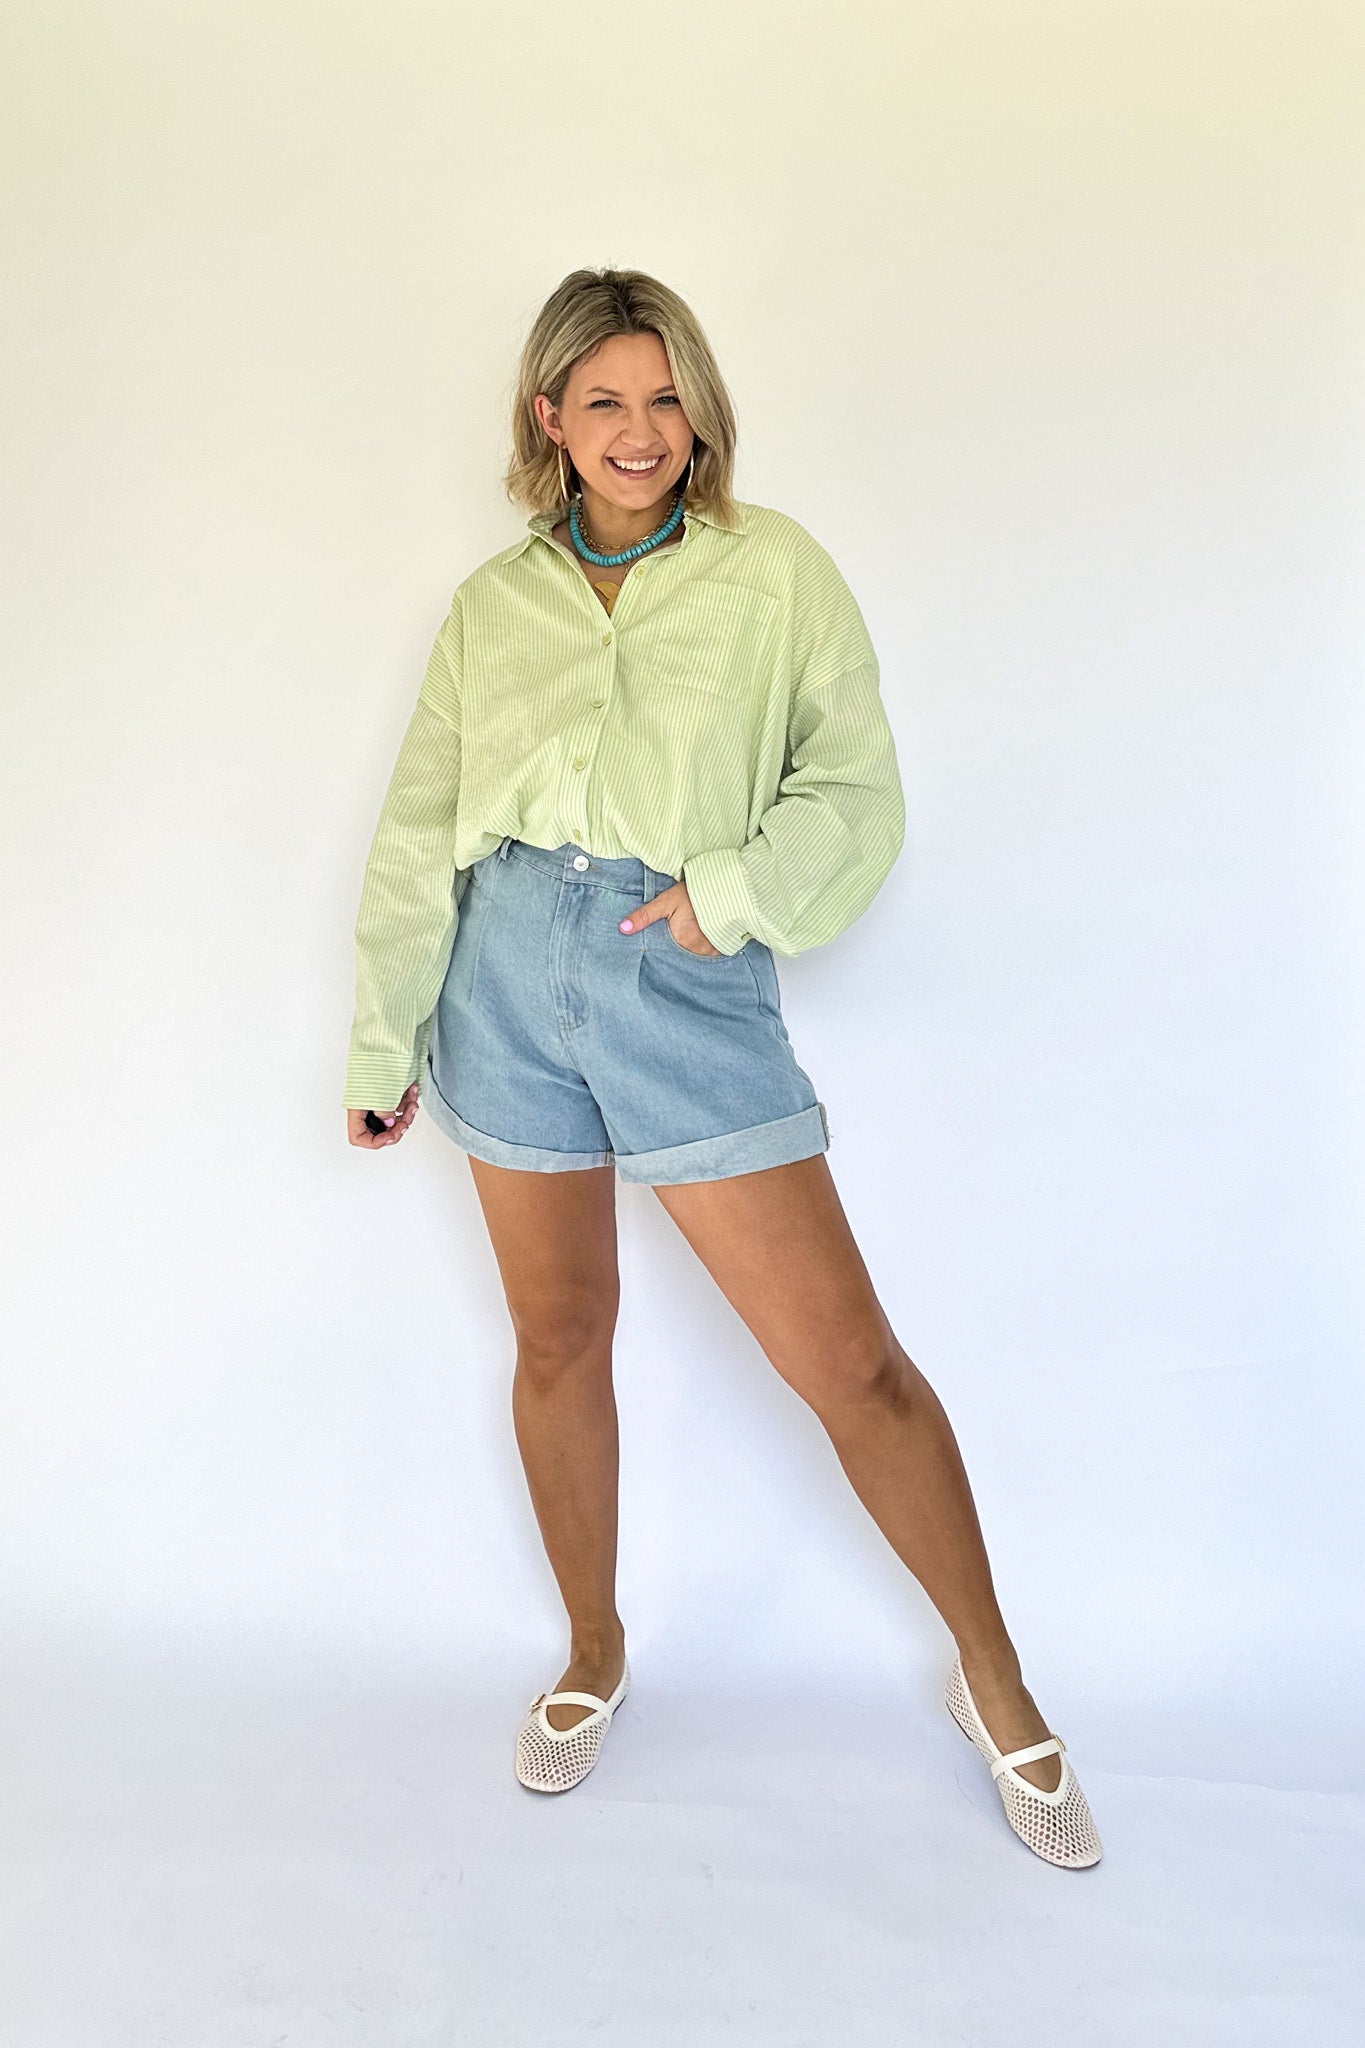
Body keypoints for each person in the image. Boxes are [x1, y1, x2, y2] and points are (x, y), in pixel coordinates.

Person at [341, 266, 1102, 1868]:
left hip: (676, 974)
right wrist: (383, 1031)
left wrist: (727, 901)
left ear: (701, 409)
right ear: (548, 419)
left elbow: (854, 789)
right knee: (559, 1337)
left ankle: (995, 1677)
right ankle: (593, 1648)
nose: (640, 430)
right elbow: (419, 829)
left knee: (849, 1363)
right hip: (501, 980)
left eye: (665, 396)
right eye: (604, 401)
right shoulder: (490, 605)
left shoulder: (774, 572)